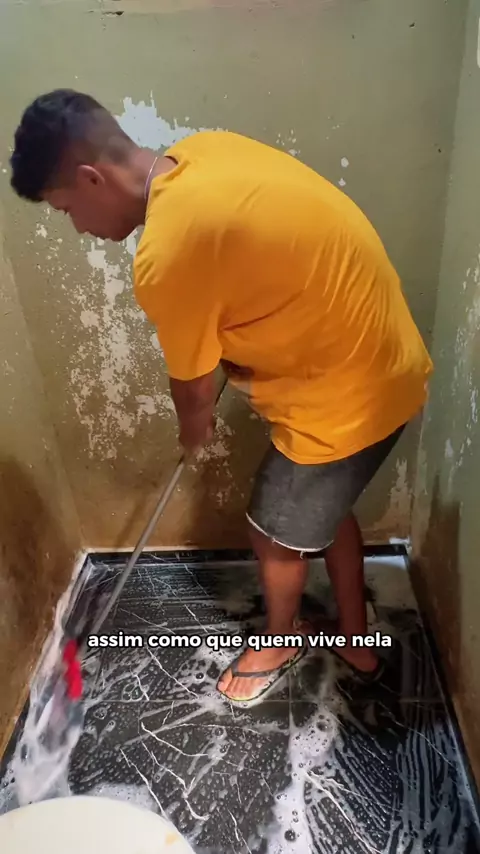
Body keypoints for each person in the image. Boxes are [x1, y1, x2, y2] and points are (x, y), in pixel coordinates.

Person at [10, 89, 433, 706]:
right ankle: (354, 635)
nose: (77, 226)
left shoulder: (170, 252)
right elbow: (259, 273)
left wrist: (195, 428)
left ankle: (279, 643)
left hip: (342, 398)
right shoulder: (205, 153)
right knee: (321, 510)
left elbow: (193, 388)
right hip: (386, 363)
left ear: (91, 178)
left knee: (274, 532)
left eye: (67, 207)